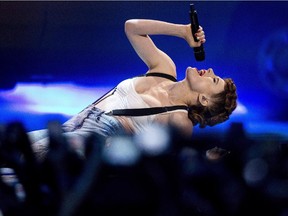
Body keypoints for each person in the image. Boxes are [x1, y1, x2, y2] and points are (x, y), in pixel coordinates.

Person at [28, 19, 237, 160]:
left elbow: (170, 159)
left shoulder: (179, 119)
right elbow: (132, 27)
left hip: (97, 140)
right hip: (74, 124)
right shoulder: (165, 69)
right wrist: (182, 31)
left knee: (26, 157)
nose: (209, 70)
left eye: (214, 80)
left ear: (204, 100)